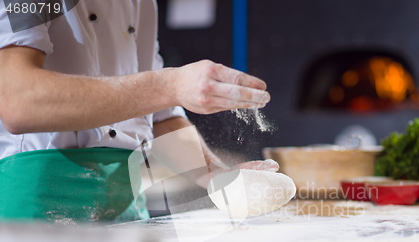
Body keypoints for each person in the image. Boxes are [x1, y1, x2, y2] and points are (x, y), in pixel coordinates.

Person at [0, 0, 277, 222]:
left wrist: (215, 174)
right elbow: (19, 100)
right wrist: (170, 85)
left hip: (127, 208)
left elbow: (159, 116)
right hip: (40, 207)